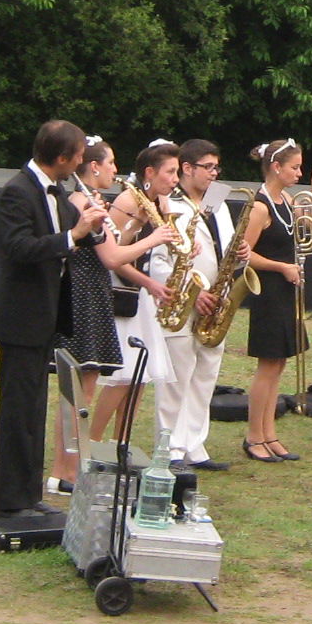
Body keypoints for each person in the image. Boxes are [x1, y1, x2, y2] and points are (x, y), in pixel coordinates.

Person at [0, 119, 107, 519]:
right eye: (76, 158)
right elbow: (19, 247)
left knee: (34, 409)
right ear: (60, 158)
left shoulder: (54, 191)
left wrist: (89, 229)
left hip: (44, 316)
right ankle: (10, 500)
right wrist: (74, 236)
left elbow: (63, 239)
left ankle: (28, 494)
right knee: (18, 411)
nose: (79, 164)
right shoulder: (18, 192)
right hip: (20, 318)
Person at [157, 139, 248, 473]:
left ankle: (194, 443)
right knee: (177, 379)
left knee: (205, 375)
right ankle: (169, 447)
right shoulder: (168, 203)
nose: (214, 173)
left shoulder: (218, 200)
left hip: (218, 298)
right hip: (184, 301)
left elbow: (225, 246)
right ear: (187, 168)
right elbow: (161, 261)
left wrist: (240, 256)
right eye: (208, 167)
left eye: (216, 167)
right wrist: (194, 293)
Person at [240, 138, 312, 464]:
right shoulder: (260, 206)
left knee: (279, 365)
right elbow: (245, 255)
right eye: (294, 167)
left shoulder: (287, 199)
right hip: (269, 292)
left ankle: (268, 433)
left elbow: (309, 222)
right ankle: (253, 437)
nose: (299, 172)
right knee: (267, 365)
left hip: (287, 290)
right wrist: (282, 267)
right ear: (276, 167)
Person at [49, 136, 126, 495]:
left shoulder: (91, 201)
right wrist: (157, 237)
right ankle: (64, 471)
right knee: (77, 390)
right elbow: (111, 257)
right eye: (111, 162)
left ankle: (70, 468)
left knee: (85, 385)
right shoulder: (79, 200)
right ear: (93, 167)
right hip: (81, 293)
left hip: (94, 290)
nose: (115, 169)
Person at [91, 141, 183, 440]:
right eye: (170, 172)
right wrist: (150, 283)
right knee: (123, 377)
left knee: (140, 378)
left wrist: (183, 247)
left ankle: (121, 445)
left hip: (141, 292)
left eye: (177, 171)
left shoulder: (161, 203)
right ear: (149, 172)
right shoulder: (129, 201)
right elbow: (114, 256)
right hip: (123, 293)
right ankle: (90, 444)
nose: (175, 178)